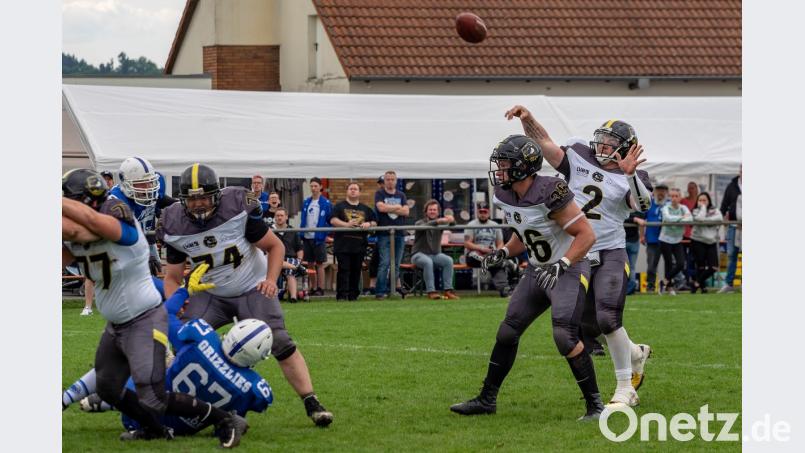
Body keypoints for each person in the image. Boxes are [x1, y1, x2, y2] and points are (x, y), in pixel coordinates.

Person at [62, 169, 248, 447]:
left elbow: (82, 225)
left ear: (85, 200)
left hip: (144, 319)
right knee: (108, 388)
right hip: (117, 324)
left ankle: (225, 419)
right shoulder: (85, 229)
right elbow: (70, 241)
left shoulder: (119, 222)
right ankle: (154, 430)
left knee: (153, 395)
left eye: (70, 200)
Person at [158, 163, 332, 427]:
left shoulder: (236, 207)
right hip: (210, 293)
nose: (199, 204)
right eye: (192, 199)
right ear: (183, 201)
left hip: (252, 285)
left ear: (216, 194)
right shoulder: (173, 222)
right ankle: (171, 405)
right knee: (183, 342)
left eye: (204, 197)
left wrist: (271, 280)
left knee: (279, 341)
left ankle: (311, 401)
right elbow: (171, 276)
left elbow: (275, 246)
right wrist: (177, 304)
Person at [506, 108, 654, 408]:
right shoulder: (578, 154)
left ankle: (625, 388)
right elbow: (545, 143)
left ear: (625, 148)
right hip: (577, 252)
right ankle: (636, 354)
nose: (603, 147)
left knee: (608, 316)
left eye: (612, 144)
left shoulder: (636, 175)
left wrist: (629, 175)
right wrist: (527, 119)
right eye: (602, 140)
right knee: (590, 327)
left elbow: (641, 206)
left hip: (610, 250)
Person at [450, 135, 604, 420]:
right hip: (537, 268)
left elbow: (587, 235)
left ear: (524, 166)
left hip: (567, 268)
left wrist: (563, 263)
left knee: (564, 336)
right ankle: (487, 399)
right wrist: (505, 252)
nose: (501, 169)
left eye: (506, 163)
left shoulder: (550, 190)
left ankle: (596, 406)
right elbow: (527, 234)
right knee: (508, 330)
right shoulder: (506, 194)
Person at [63, 265, 275, 439]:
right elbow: (232, 418)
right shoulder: (254, 388)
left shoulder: (202, 338)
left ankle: (81, 398)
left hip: (138, 417)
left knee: (135, 348)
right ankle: (104, 400)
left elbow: (165, 313)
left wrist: (184, 291)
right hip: (182, 429)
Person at [109, 156, 178, 277]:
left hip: (147, 243)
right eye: (141, 184)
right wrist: (143, 256)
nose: (148, 188)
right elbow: (124, 239)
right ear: (126, 184)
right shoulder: (117, 202)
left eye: (150, 182)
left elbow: (168, 203)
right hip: (121, 251)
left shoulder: (152, 192)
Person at [330, 182, 377, 301]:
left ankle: (353, 296)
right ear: (347, 191)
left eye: (355, 189)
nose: (353, 191)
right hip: (343, 245)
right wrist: (346, 224)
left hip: (359, 245)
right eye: (351, 189)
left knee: (356, 271)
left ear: (359, 192)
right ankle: (342, 296)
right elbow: (333, 220)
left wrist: (369, 224)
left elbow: (375, 222)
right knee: (344, 270)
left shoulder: (366, 209)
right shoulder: (339, 206)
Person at [464, 202, 515, 297]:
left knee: (494, 263)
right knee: (494, 262)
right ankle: (505, 264)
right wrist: (481, 248)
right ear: (477, 212)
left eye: (485, 212)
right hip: (474, 255)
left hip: (491, 255)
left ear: (489, 212)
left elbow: (500, 243)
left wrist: (497, 252)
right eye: (480, 212)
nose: (482, 214)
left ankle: (504, 290)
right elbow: (467, 243)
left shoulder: (495, 225)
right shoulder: (471, 224)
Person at [412, 199, 459, 300]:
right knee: (428, 262)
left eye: (434, 210)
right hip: (418, 254)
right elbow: (422, 227)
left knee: (448, 260)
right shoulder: (419, 222)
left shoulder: (440, 223)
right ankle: (431, 291)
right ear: (426, 212)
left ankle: (448, 290)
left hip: (435, 254)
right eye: (430, 210)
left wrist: (451, 219)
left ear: (438, 212)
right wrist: (437, 221)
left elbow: (453, 225)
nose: (432, 211)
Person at [374, 170, 410, 299]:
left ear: (396, 180)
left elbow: (406, 211)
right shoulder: (379, 193)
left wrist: (389, 207)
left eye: (392, 179)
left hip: (399, 233)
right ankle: (380, 292)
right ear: (384, 181)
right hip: (384, 234)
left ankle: (393, 290)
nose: (390, 181)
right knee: (384, 263)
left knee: (396, 264)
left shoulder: (401, 194)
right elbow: (381, 208)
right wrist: (397, 207)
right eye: (387, 179)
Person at [300, 177, 333, 296]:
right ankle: (312, 287)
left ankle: (320, 288)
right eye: (312, 186)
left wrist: (325, 234)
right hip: (307, 237)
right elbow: (304, 219)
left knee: (320, 263)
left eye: (315, 186)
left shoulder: (326, 203)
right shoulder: (306, 202)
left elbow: (331, 220)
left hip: (319, 238)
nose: (313, 188)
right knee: (309, 263)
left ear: (320, 187)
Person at [658, 188, 692, 295]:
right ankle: (669, 287)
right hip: (665, 239)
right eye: (672, 196)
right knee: (668, 264)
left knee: (681, 263)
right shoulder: (665, 207)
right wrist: (682, 218)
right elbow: (667, 218)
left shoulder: (684, 208)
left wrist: (677, 218)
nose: (674, 198)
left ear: (680, 197)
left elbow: (690, 219)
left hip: (678, 240)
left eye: (676, 196)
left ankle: (664, 281)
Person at [690, 192, 723, 293]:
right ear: (697, 201)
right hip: (697, 240)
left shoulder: (715, 210)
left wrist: (705, 220)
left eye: (704, 200)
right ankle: (703, 287)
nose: (702, 202)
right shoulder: (695, 211)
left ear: (709, 201)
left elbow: (720, 218)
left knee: (714, 267)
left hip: (711, 241)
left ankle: (696, 283)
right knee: (700, 266)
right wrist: (703, 208)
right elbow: (699, 218)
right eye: (700, 200)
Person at [274, 207, 307, 303]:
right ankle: (297, 267)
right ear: (274, 217)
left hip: (291, 258)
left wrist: (299, 260)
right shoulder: (270, 231)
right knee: (278, 264)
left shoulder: (293, 231)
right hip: (274, 258)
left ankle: (293, 298)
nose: (279, 218)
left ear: (286, 217)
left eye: (281, 215)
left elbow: (299, 249)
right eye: (277, 215)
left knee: (290, 273)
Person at [719, 166, 742, 293]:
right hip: (734, 225)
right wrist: (721, 217)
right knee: (732, 254)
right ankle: (729, 284)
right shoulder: (731, 186)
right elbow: (724, 205)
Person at [643, 183, 669, 293]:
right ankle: (650, 285)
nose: (661, 193)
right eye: (659, 190)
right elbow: (641, 219)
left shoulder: (670, 204)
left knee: (669, 263)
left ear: (666, 193)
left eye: (663, 191)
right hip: (652, 239)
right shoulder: (649, 204)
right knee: (651, 265)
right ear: (654, 192)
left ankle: (669, 284)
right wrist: (641, 236)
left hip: (668, 239)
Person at [624, 211, 646, 295]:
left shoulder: (622, 210)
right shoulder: (639, 213)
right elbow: (642, 223)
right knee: (632, 267)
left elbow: (622, 219)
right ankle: (630, 288)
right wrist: (642, 236)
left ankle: (626, 288)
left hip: (624, 242)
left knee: (623, 267)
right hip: (633, 241)